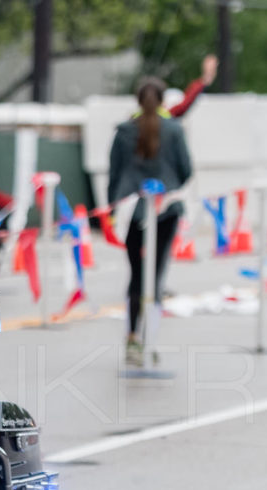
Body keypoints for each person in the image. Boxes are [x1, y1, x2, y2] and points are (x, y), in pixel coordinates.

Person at [108, 77, 193, 366]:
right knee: (156, 274)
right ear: (162, 100)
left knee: (136, 274)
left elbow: (114, 174)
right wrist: (167, 186)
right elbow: (186, 170)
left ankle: (132, 336)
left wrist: (111, 209)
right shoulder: (174, 130)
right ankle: (149, 338)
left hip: (131, 212)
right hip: (166, 210)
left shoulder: (123, 132)